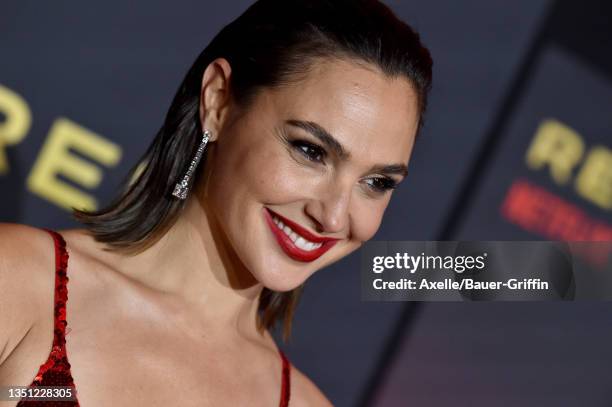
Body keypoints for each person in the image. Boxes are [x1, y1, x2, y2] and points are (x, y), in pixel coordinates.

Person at [0, 0, 432, 405]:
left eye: (376, 182)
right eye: (311, 151)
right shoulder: (18, 282)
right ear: (219, 101)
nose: (334, 215)